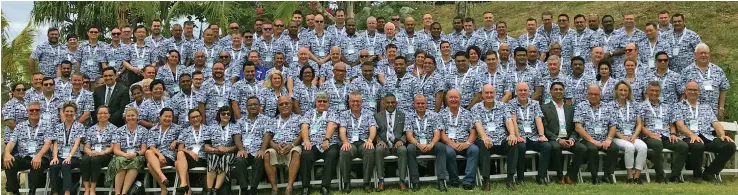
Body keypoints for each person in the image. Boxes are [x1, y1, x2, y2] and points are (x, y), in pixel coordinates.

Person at [678, 81, 735, 182]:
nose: (692, 92)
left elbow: (715, 123)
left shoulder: (706, 107)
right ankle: (697, 176)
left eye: (695, 90)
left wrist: (722, 135)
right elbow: (680, 126)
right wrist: (692, 135)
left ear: (699, 92)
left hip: (707, 136)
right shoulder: (678, 106)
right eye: (690, 89)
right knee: (698, 145)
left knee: (730, 145)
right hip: (688, 137)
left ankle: (710, 173)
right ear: (685, 92)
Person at [639, 81, 689, 183]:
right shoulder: (641, 106)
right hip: (649, 136)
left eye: (656, 91)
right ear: (647, 91)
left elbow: (671, 124)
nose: (654, 93)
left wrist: (673, 134)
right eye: (652, 90)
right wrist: (650, 135)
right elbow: (641, 125)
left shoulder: (666, 106)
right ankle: (660, 175)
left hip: (666, 135)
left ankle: (674, 176)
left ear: (660, 92)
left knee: (682, 146)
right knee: (657, 144)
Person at [473, 84, 520, 190]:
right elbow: (477, 124)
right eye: (486, 93)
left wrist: (512, 134)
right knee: (482, 144)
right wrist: (484, 137)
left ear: (495, 94)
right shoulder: (477, 107)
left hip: (501, 139)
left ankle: (510, 179)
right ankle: (486, 181)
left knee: (513, 143)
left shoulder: (502, 106)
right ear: (482, 95)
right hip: (486, 140)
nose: (489, 95)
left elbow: (508, 120)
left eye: (491, 93)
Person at [3, 102, 54, 195]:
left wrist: (38, 156)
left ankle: (32, 192)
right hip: (24, 158)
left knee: (37, 164)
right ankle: (15, 191)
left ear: (40, 111)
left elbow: (48, 143)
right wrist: (7, 154)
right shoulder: (20, 126)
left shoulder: (47, 125)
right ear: (27, 111)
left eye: (37, 110)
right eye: (31, 110)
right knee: (10, 160)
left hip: (41, 157)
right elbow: (11, 142)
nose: (34, 111)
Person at [541, 82, 586, 184]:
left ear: (564, 91)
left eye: (561, 89)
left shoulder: (570, 108)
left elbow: (576, 127)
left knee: (582, 149)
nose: (558, 91)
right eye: (556, 89)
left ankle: (570, 175)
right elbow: (544, 128)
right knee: (556, 147)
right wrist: (558, 139)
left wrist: (572, 139)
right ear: (550, 92)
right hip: (554, 139)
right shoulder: (544, 108)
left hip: (568, 138)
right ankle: (559, 176)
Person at [574, 84, 619, 184]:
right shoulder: (580, 106)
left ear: (600, 95)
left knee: (614, 148)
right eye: (591, 94)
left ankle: (607, 175)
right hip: (587, 139)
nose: (593, 96)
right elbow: (578, 127)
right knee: (592, 149)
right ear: (587, 94)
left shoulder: (608, 107)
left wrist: (609, 139)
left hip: (604, 139)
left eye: (596, 94)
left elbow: (613, 126)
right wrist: (593, 141)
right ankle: (595, 177)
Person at [299, 92, 340, 195]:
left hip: (329, 143)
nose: (322, 103)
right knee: (305, 154)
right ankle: (305, 187)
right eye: (319, 101)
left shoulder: (333, 112)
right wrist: (307, 141)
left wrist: (326, 139)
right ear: (315, 102)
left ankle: (325, 186)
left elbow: (332, 125)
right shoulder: (309, 113)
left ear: (328, 102)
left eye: (324, 101)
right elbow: (304, 126)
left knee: (332, 155)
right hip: (312, 144)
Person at [405, 94, 448, 192]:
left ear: (426, 104)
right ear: (414, 104)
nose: (420, 105)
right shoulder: (409, 116)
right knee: (409, 148)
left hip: (431, 144)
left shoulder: (434, 115)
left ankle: (441, 180)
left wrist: (431, 144)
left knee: (441, 146)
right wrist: (418, 145)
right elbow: (409, 135)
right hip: (416, 145)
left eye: (423, 103)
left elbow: (437, 134)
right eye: (418, 103)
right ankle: (415, 181)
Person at [510, 82, 550, 185]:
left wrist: (541, 135)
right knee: (521, 147)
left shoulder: (535, 104)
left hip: (533, 136)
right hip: (520, 137)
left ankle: (541, 176)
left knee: (546, 146)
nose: (523, 92)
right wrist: (518, 137)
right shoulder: (511, 104)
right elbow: (513, 121)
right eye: (520, 90)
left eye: (525, 90)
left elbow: (538, 120)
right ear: (516, 92)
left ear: (529, 92)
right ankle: (520, 178)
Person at [338, 91, 377, 193]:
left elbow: (373, 128)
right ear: (349, 102)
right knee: (344, 152)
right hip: (350, 142)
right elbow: (342, 130)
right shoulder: (344, 114)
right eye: (353, 101)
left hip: (364, 141)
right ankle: (346, 183)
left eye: (358, 101)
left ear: (362, 102)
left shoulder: (368, 113)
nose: (355, 103)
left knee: (369, 150)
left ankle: (366, 183)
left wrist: (370, 140)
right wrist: (345, 142)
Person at [610, 81, 648, 184]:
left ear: (629, 92)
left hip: (632, 136)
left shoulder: (634, 105)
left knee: (643, 147)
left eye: (625, 90)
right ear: (616, 91)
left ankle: (637, 176)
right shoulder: (610, 106)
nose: (623, 92)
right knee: (629, 147)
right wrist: (622, 137)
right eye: (621, 90)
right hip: (617, 137)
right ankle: (629, 176)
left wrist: (634, 136)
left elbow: (639, 124)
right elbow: (611, 126)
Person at [440, 89, 478, 190]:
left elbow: (473, 132)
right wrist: (452, 144)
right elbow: (442, 134)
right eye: (451, 97)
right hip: (449, 144)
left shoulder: (467, 114)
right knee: (449, 153)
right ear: (447, 99)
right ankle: (454, 180)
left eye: (456, 97)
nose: (453, 99)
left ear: (460, 99)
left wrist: (467, 143)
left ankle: (468, 181)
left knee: (474, 150)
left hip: (465, 143)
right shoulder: (441, 115)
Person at [232, 97, 271, 195]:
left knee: (259, 159)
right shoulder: (240, 121)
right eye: (250, 105)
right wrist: (241, 150)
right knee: (239, 160)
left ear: (259, 106)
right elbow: (237, 137)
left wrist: (262, 150)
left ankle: (253, 189)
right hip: (245, 151)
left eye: (255, 104)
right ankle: (244, 190)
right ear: (246, 107)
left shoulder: (266, 120)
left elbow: (267, 135)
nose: (253, 106)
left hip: (258, 150)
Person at [680, 43, 729, 120]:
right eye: (701, 53)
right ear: (695, 55)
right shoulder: (687, 71)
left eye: (705, 53)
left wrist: (721, 108)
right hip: (692, 112)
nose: (703, 55)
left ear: (709, 55)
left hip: (713, 112)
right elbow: (683, 93)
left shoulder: (718, 70)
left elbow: (723, 89)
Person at [265, 96, 303, 194]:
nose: (284, 106)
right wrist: (274, 146)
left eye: (287, 103)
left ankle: (289, 187)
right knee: (267, 154)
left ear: (291, 105)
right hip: (276, 147)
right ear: (278, 107)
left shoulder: (299, 118)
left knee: (296, 152)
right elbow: (268, 137)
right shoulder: (272, 120)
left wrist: (292, 145)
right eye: (281, 104)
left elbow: (301, 135)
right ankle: (274, 188)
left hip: (292, 146)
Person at [108, 107, 148, 195]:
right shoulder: (118, 131)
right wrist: (124, 154)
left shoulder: (144, 131)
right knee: (120, 161)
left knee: (135, 161)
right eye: (128, 116)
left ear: (137, 116)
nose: (130, 118)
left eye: (133, 115)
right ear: (125, 117)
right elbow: (116, 150)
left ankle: (124, 192)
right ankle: (117, 193)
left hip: (137, 155)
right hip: (122, 155)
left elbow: (144, 149)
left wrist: (135, 154)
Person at [373, 94, 408, 191]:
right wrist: (379, 141)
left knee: (403, 150)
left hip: (397, 145)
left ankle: (402, 181)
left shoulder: (403, 116)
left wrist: (402, 140)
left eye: (392, 102)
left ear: (396, 103)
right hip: (384, 145)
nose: (390, 104)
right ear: (383, 103)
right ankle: (381, 181)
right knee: (378, 149)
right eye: (388, 102)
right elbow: (374, 132)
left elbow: (407, 132)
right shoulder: (377, 116)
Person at [80, 106, 117, 195]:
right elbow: (86, 146)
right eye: (100, 113)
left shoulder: (114, 129)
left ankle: (93, 189)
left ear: (109, 115)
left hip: (106, 154)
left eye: (105, 113)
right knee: (84, 160)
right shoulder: (90, 129)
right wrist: (89, 152)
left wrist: (102, 152)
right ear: (96, 115)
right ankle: (86, 189)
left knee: (95, 160)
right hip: (92, 153)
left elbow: (113, 147)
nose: (102, 115)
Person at [144, 108, 181, 195]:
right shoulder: (153, 130)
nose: (168, 119)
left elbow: (183, 138)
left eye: (170, 117)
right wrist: (160, 155)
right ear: (160, 117)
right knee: (148, 152)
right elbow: (151, 146)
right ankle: (162, 177)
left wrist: (176, 141)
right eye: (165, 116)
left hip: (169, 156)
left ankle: (163, 188)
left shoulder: (178, 129)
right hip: (156, 155)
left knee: (150, 164)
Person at [51, 102, 84, 195]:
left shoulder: (79, 126)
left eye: (71, 111)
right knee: (54, 166)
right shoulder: (58, 127)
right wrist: (55, 157)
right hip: (61, 156)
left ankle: (67, 192)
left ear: (75, 112)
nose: (69, 113)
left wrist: (69, 156)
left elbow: (77, 144)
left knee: (66, 164)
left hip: (74, 157)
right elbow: (56, 144)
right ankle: (55, 192)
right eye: (67, 111)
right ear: (63, 112)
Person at [204, 107, 238, 195]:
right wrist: (216, 149)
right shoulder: (211, 127)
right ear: (219, 115)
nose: (226, 115)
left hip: (229, 153)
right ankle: (209, 190)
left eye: (228, 114)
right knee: (213, 158)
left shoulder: (235, 127)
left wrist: (228, 149)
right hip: (214, 152)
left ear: (231, 115)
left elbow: (236, 146)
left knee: (224, 160)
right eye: (223, 114)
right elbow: (206, 147)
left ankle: (216, 190)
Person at [173, 109, 208, 195]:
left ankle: (186, 188)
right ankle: (185, 185)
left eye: (197, 116)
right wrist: (190, 153)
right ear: (189, 120)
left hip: (203, 158)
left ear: (201, 117)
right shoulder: (185, 131)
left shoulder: (208, 130)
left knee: (177, 163)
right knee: (180, 154)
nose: (195, 119)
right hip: (190, 158)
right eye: (192, 117)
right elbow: (180, 148)